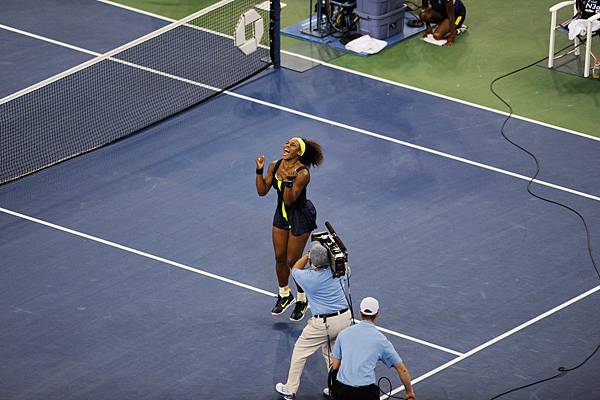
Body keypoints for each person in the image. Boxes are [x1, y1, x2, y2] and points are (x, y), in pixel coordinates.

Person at [256, 137, 324, 321]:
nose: (286, 146)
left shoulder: (303, 173)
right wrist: (259, 170)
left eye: (292, 145)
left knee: (293, 260)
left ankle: (302, 299)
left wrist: (287, 182)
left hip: (300, 216)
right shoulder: (274, 165)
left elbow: (290, 200)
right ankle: (284, 295)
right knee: (279, 257)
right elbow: (262, 191)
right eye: (286, 143)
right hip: (282, 215)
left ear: (299, 152)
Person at [275, 241, 352, 399]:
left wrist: (307, 255)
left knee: (300, 352)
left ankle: (290, 389)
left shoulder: (308, 277)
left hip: (324, 324)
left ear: (312, 261)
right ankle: (336, 390)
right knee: (331, 354)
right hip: (345, 319)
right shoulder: (340, 271)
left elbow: (295, 268)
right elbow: (345, 266)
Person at [330, 297, 416, 400]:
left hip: (341, 391)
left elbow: (335, 366)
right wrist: (409, 393)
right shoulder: (381, 340)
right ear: (377, 314)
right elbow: (403, 370)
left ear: (360, 312)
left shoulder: (343, 334)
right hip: (366, 393)